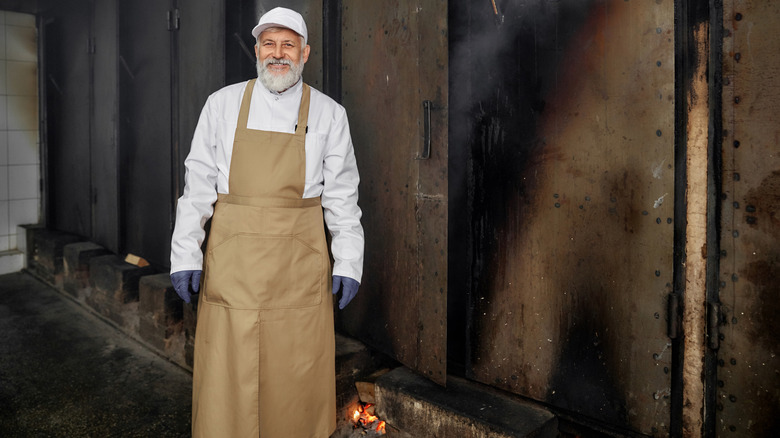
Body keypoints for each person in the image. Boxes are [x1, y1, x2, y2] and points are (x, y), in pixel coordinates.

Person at [168, 7, 364, 437]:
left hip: (299, 269)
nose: (279, 54)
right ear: (257, 50)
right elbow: (197, 185)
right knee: (229, 377)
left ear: (305, 53)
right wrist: (185, 254)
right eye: (269, 44)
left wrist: (349, 261)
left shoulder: (330, 114)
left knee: (295, 376)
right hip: (233, 265)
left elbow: (343, 197)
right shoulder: (221, 105)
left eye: (288, 45)